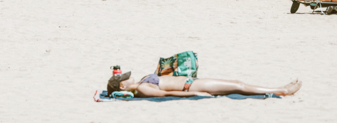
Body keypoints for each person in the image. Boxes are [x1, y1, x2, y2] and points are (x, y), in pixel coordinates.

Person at [106, 71, 301, 98]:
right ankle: (282, 90)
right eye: (125, 78)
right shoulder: (141, 88)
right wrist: (195, 95)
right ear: (122, 86)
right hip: (192, 87)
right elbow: (165, 95)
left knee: (236, 83)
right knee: (238, 85)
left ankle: (279, 89)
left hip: (192, 82)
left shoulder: (140, 83)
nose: (129, 77)